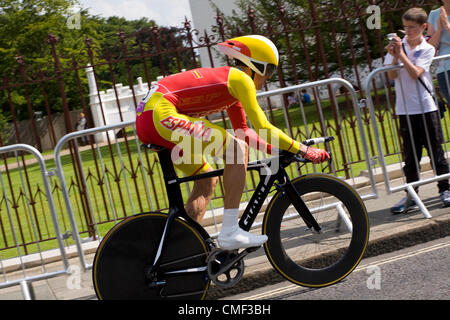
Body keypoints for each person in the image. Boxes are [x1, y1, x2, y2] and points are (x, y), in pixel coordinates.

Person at [136, 35, 330, 250]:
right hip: (160, 115)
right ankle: (230, 231)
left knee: (206, 181)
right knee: (237, 150)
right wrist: (303, 150)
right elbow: (263, 127)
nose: (268, 79)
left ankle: (183, 249)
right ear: (255, 65)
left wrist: (278, 149)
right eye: (269, 71)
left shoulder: (231, 85)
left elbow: (245, 131)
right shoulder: (241, 79)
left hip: (150, 119)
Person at [384, 8, 450, 213]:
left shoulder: (427, 48)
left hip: (426, 108)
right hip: (405, 110)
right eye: (405, 27)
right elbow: (392, 75)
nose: (407, 31)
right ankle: (411, 195)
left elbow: (415, 73)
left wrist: (402, 54)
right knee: (410, 157)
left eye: (412, 27)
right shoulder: (397, 48)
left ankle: (445, 189)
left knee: (435, 152)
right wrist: (395, 56)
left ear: (423, 27)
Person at [427, 1, 450, 106]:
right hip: (444, 68)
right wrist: (439, 30)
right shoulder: (434, 14)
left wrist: (447, 25)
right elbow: (430, 47)